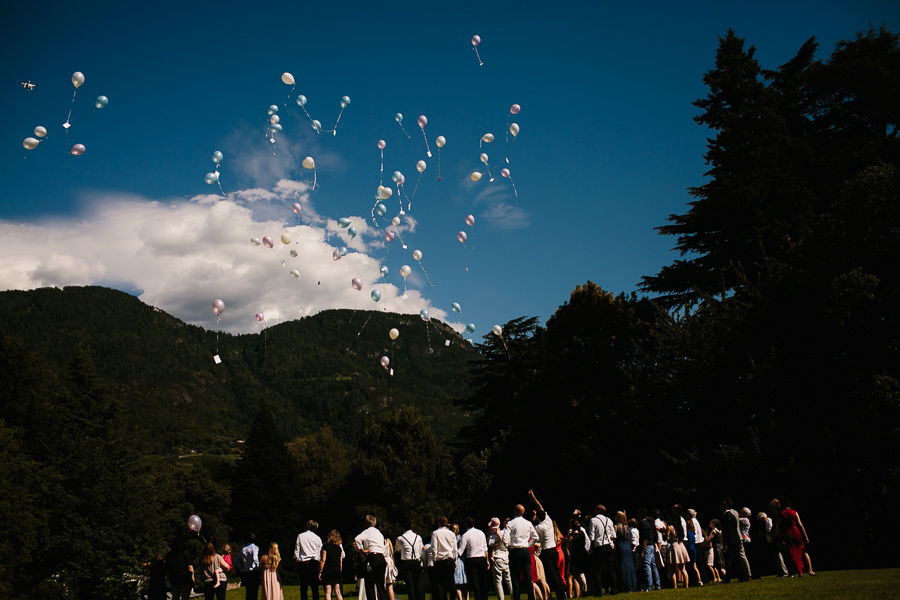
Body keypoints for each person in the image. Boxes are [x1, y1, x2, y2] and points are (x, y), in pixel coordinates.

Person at [527, 491, 566, 600]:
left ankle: (560, 595)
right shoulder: (548, 520)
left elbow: (530, 530)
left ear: (538, 518)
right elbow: (539, 506)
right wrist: (533, 497)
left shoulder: (539, 528)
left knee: (553, 575)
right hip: (554, 550)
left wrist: (533, 518)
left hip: (547, 552)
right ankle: (561, 594)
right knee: (557, 574)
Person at [503, 504, 538, 600]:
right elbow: (535, 537)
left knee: (515, 577)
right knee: (528, 576)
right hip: (525, 550)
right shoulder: (528, 523)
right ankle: (531, 597)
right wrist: (529, 544)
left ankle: (517, 597)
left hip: (515, 551)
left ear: (515, 511)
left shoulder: (510, 523)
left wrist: (509, 546)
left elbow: (505, 539)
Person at [356, 515, 389, 600]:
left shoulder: (367, 531)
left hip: (372, 557)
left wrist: (361, 550)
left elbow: (357, 539)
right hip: (381, 557)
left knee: (370, 584)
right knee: (381, 584)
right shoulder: (379, 533)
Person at [587, 504, 617, 596]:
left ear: (598, 510)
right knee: (611, 569)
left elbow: (592, 536)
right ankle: (614, 589)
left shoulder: (594, 520)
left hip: (600, 546)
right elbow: (614, 535)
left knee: (597, 570)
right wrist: (612, 544)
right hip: (609, 546)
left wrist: (591, 548)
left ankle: (599, 591)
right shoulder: (609, 520)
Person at [459, 516, 490, 600]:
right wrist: (487, 560)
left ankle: (478, 597)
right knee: (483, 581)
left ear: (466, 525)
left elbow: (460, 551)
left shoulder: (465, 535)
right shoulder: (481, 533)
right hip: (482, 558)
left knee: (475, 582)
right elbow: (485, 548)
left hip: (472, 559)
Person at [777, 499, 811, 576]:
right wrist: (805, 536)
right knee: (802, 550)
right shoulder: (794, 512)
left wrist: (781, 537)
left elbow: (780, 527)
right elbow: (800, 525)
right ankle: (809, 569)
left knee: (792, 552)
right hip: (795, 531)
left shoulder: (781, 514)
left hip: (787, 533)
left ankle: (799, 570)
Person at [721, 499, 751, 582]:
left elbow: (727, 530)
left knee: (729, 559)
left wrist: (725, 542)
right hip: (736, 538)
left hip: (732, 540)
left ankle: (728, 577)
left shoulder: (727, 515)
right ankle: (744, 575)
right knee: (738, 557)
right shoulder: (733, 514)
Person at [431, 516, 459, 600]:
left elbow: (434, 548)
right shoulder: (451, 534)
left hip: (440, 560)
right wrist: (455, 559)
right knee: (451, 581)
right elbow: (455, 549)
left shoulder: (435, 533)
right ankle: (452, 598)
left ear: (439, 523)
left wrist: (434, 559)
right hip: (449, 559)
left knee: (439, 582)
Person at [396, 521, 425, 600]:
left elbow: (397, 549)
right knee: (418, 584)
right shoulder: (418, 537)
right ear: (412, 526)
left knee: (410, 585)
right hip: (416, 561)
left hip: (406, 562)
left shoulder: (400, 538)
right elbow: (421, 551)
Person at [296, 520, 324, 600]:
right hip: (314, 562)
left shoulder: (301, 536)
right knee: (314, 587)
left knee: (304, 587)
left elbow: (297, 550)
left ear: (308, 526)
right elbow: (319, 552)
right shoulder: (318, 538)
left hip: (304, 562)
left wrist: (296, 561)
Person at [488, 517, 512, 600]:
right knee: (508, 580)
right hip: (506, 558)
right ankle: (513, 596)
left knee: (498, 581)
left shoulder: (496, 534)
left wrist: (490, 535)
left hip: (498, 557)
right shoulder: (508, 533)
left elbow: (490, 543)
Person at [636, 508, 660, 592]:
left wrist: (642, 550)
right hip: (651, 545)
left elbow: (644, 538)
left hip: (647, 546)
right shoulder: (649, 523)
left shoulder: (642, 524)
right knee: (653, 565)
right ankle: (657, 585)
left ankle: (649, 585)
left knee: (646, 565)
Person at [565, 517, 589, 597]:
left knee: (573, 575)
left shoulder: (571, 536)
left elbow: (568, 547)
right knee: (581, 572)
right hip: (582, 554)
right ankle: (583, 588)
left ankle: (574, 593)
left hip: (574, 555)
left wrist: (569, 554)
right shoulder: (581, 534)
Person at [614, 511, 636, 592]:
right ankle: (631, 585)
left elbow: (614, 538)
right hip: (627, 547)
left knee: (622, 566)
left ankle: (623, 585)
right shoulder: (626, 527)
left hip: (620, 546)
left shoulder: (616, 527)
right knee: (629, 566)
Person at [665, 516, 689, 588]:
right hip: (681, 545)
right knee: (683, 568)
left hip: (674, 546)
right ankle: (686, 585)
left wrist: (664, 532)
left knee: (671, 569)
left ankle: (675, 586)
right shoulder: (680, 528)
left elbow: (667, 538)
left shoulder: (670, 527)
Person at [320, 530, 344, 600]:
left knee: (328, 592)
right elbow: (340, 562)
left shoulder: (325, 547)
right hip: (336, 570)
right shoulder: (339, 548)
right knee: (338, 591)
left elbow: (323, 560)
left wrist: (320, 572)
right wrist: (340, 571)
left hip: (328, 570)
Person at [239, 534, 262, 600]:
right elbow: (255, 558)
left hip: (246, 572)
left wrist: (241, 568)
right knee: (254, 593)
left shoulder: (243, 549)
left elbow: (237, 560)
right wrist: (258, 567)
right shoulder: (255, 547)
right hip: (253, 572)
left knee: (248, 592)